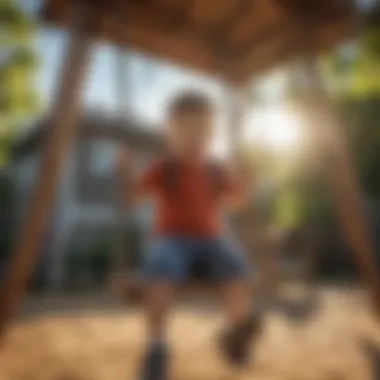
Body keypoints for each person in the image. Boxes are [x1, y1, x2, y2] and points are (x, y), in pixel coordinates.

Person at [119, 90, 261, 380]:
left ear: (213, 134)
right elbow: (134, 199)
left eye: (204, 131)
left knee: (238, 269)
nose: (197, 138)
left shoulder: (216, 170)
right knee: (160, 268)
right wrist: (126, 172)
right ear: (170, 133)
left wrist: (246, 181)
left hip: (210, 240)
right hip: (172, 239)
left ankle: (233, 334)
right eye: (187, 130)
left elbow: (237, 200)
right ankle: (157, 346)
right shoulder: (164, 168)